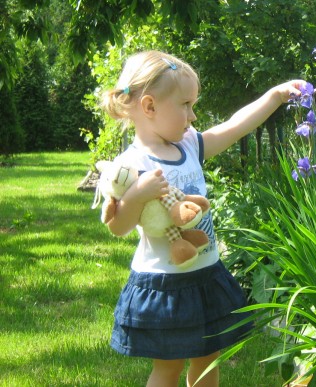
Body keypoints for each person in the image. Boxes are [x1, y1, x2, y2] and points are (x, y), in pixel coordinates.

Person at [98, 50, 304, 387]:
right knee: (168, 368)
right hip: (165, 286)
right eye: (185, 105)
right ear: (149, 107)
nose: (192, 116)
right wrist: (137, 194)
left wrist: (275, 96)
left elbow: (234, 127)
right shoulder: (131, 165)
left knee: (207, 361)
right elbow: (118, 226)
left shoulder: (189, 146)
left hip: (204, 275)